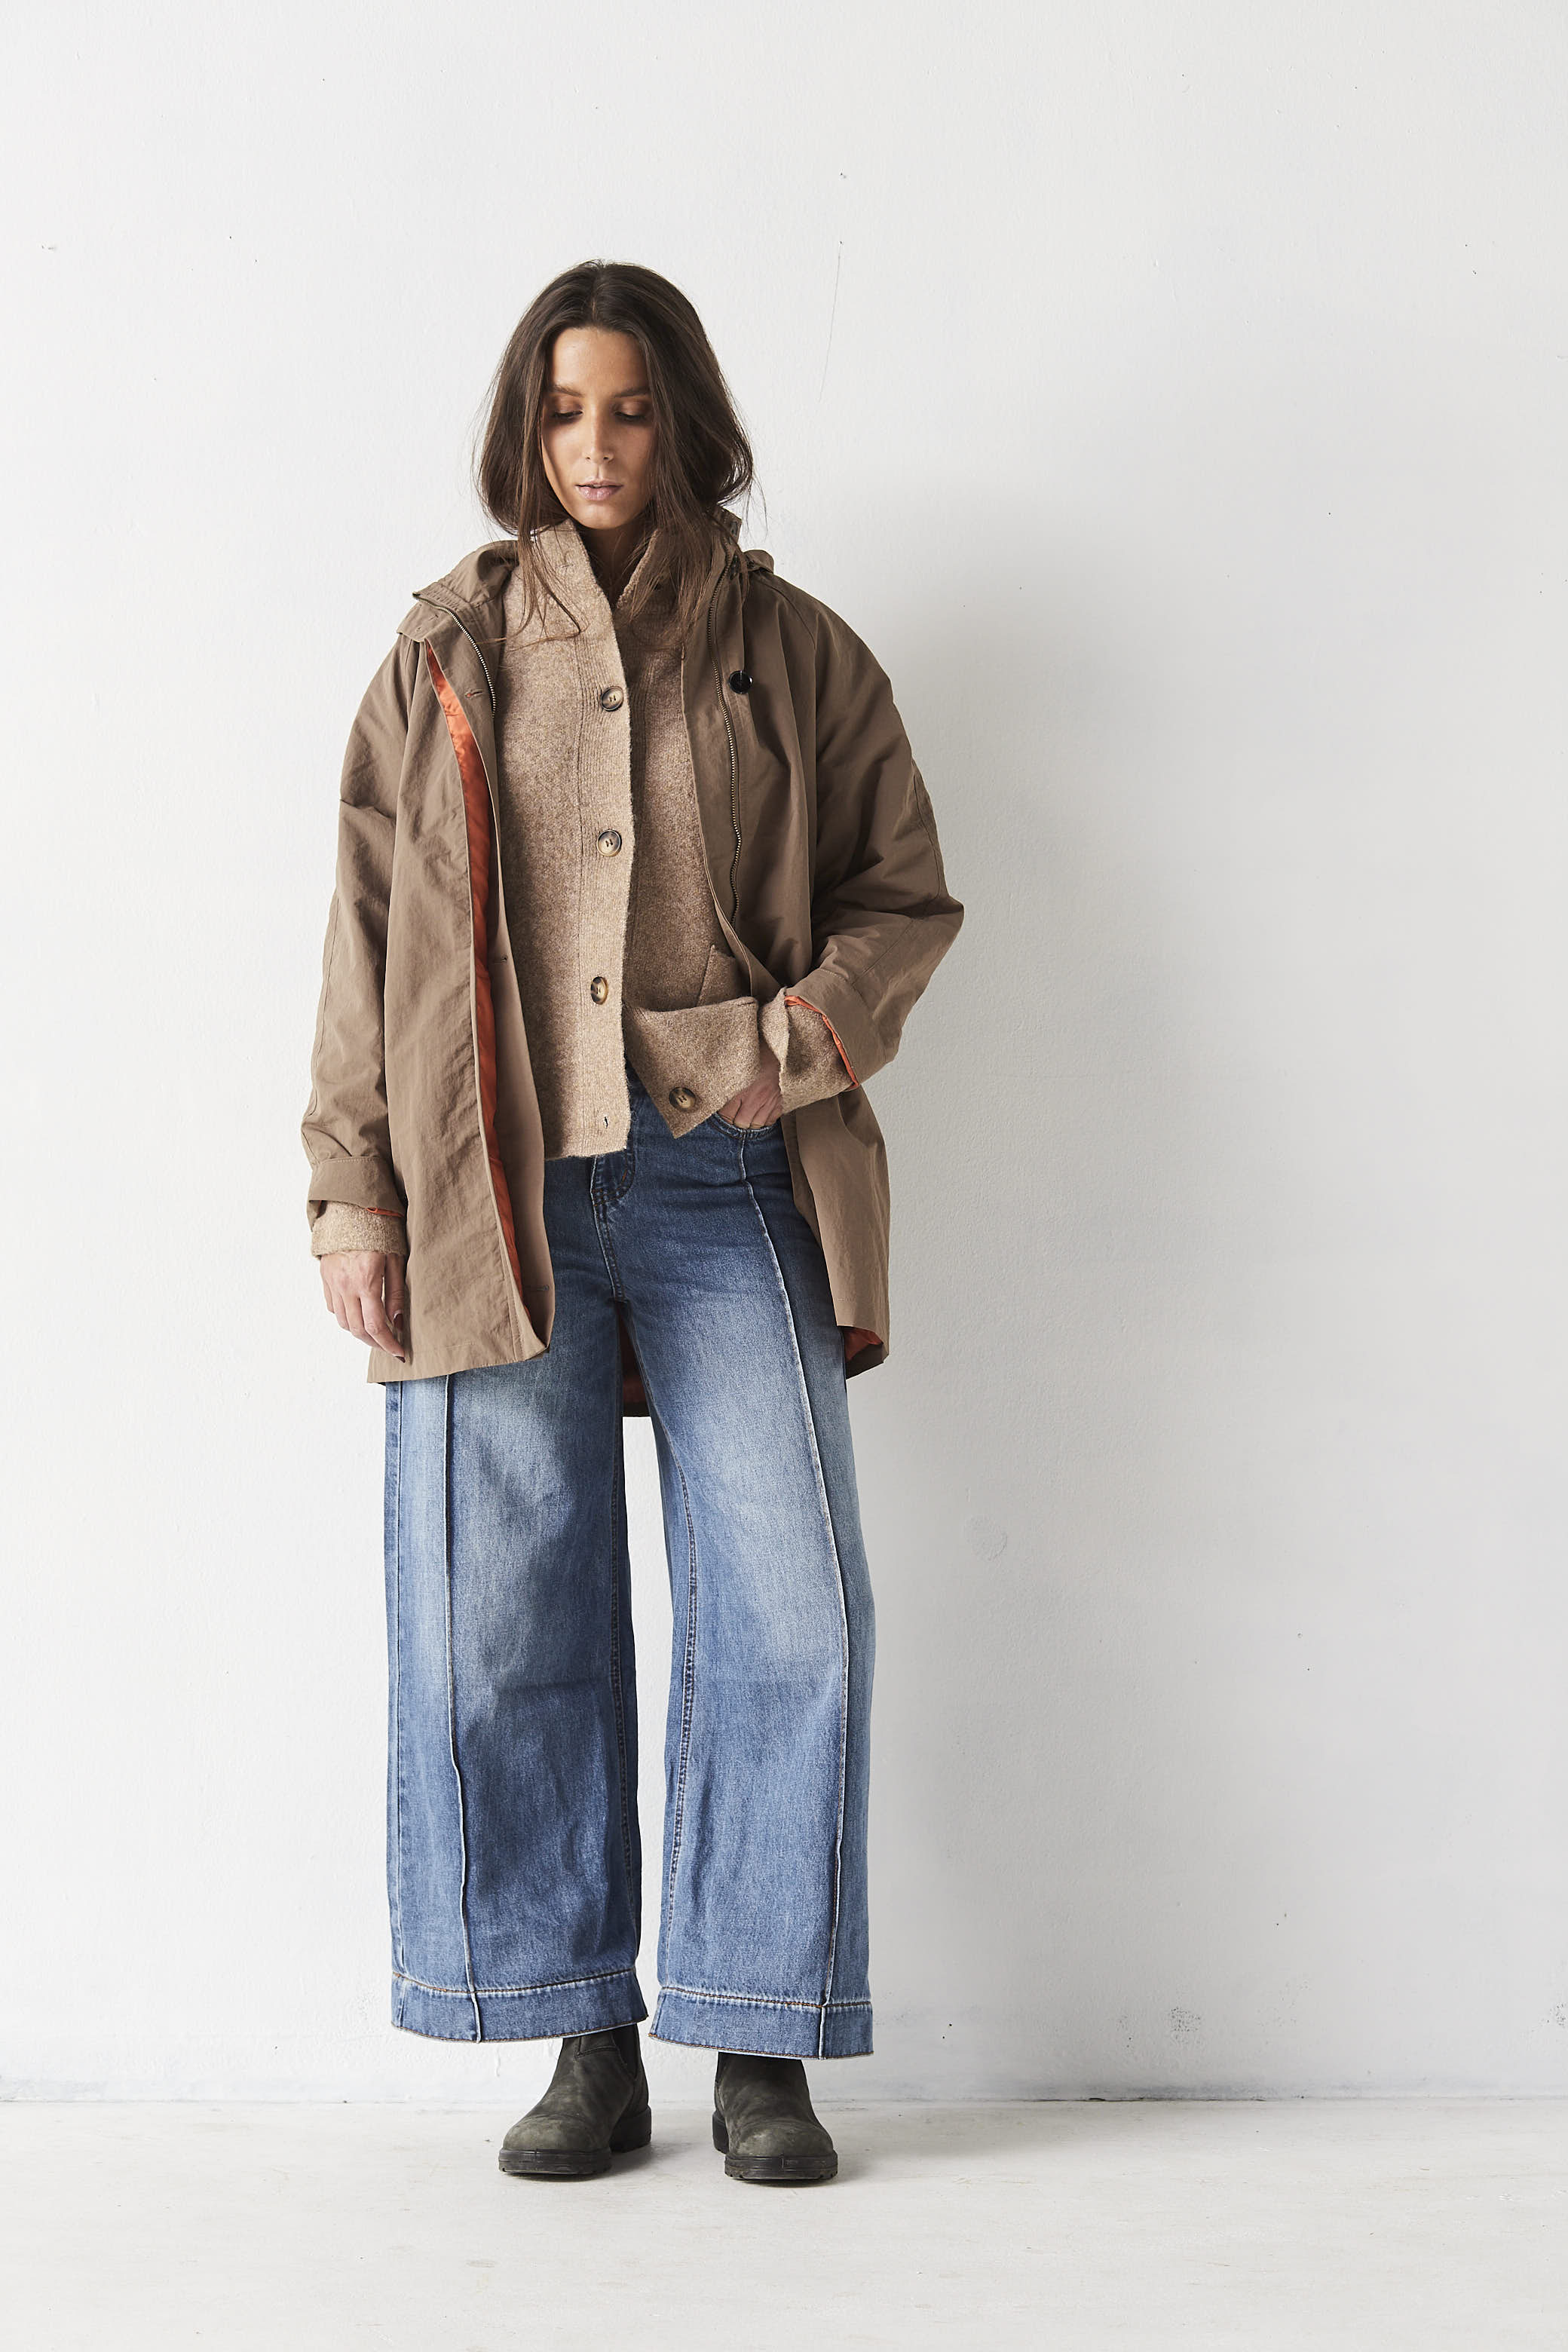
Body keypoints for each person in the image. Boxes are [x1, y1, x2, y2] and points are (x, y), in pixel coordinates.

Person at [302, 259, 963, 2185]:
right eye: (564, 409)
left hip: (725, 1175)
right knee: (500, 1620)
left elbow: (901, 896)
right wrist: (350, 1190)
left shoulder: (793, 651)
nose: (594, 446)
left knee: (791, 1610)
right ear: (526, 427)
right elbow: (363, 942)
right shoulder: (442, 653)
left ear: (687, 423)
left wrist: (793, 1041)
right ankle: (579, 2036)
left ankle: (760, 2040)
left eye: (631, 408)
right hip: (486, 1190)